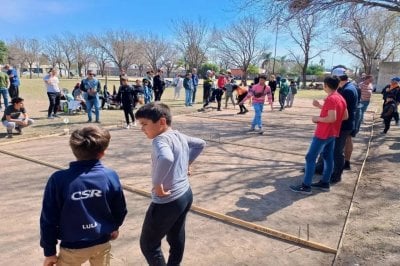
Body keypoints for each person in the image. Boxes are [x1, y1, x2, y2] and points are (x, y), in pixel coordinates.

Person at [40, 126, 127, 266]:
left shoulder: (59, 179)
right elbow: (120, 208)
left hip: (72, 248)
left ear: (74, 149)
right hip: (101, 243)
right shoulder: (109, 176)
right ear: (103, 153)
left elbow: (48, 218)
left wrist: (49, 252)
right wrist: (114, 226)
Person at [135, 102, 206, 266]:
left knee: (148, 244)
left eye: (145, 124)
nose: (142, 129)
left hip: (167, 200)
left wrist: (157, 183)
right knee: (176, 233)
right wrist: (187, 162)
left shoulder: (159, 140)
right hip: (185, 194)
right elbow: (200, 143)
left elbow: (166, 158)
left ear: (161, 122)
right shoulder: (179, 135)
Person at [290, 76, 348, 194]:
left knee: (310, 158)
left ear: (326, 85)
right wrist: (320, 107)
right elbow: (345, 116)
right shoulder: (340, 97)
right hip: (332, 133)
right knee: (327, 157)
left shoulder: (331, 99)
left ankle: (306, 186)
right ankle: (325, 183)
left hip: (323, 133)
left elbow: (332, 117)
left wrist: (318, 118)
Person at [316, 67, 358, 184]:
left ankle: (336, 175)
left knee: (337, 151)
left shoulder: (347, 90)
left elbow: (342, 113)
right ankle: (321, 168)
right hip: (343, 124)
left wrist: (320, 116)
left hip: (343, 125)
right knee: (329, 149)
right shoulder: (347, 88)